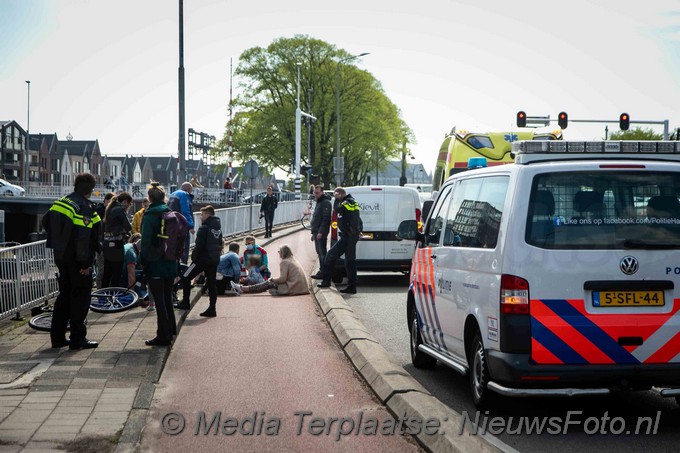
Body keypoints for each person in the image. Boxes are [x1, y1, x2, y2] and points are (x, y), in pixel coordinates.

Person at [42, 172, 101, 350]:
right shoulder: (84, 207)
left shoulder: (61, 202)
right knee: (81, 298)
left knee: (64, 296)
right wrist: (84, 265)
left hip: (61, 256)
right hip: (78, 260)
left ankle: (58, 338)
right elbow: (83, 238)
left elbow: (46, 222)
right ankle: (78, 339)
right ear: (90, 189)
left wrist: (60, 241)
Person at [139, 183, 178, 346]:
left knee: (159, 301)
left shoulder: (149, 216)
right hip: (170, 262)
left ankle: (162, 336)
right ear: (164, 198)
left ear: (150, 198)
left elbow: (146, 242)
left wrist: (143, 261)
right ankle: (171, 330)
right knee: (168, 297)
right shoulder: (170, 213)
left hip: (156, 264)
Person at [317, 187, 363, 294]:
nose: (334, 197)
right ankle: (352, 287)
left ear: (340, 194)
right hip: (350, 235)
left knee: (330, 256)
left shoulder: (347, 202)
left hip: (348, 236)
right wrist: (359, 230)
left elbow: (338, 209)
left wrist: (337, 200)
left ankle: (326, 281)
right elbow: (357, 218)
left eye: (335, 195)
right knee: (349, 261)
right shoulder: (352, 202)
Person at [179, 205, 222, 317]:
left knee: (185, 276)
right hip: (213, 260)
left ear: (207, 215)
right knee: (212, 284)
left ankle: (185, 302)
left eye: (202, 215)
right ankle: (212, 308)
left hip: (202, 260)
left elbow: (199, 246)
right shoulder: (218, 229)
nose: (200, 217)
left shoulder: (203, 228)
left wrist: (194, 258)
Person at [231, 244, 310, 296]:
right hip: (300, 287)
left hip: (293, 287)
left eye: (279, 251)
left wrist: (272, 279)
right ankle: (243, 288)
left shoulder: (284, 262)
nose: (278, 253)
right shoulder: (292, 259)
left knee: (269, 283)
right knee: (270, 284)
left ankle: (242, 288)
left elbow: (283, 279)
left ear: (283, 253)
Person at [101, 192, 133, 288]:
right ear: (125, 201)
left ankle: (103, 296)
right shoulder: (120, 210)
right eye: (129, 203)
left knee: (107, 272)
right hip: (116, 245)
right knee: (116, 273)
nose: (129, 206)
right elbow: (128, 227)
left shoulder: (110, 208)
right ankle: (113, 296)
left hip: (107, 244)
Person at [168, 182, 195, 263]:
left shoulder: (173, 194)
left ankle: (174, 266)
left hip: (172, 224)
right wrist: (191, 226)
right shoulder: (184, 194)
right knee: (184, 247)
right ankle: (183, 268)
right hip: (182, 225)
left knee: (174, 247)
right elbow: (185, 211)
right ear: (189, 189)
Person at [310, 185, 332, 279]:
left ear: (322, 192)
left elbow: (326, 219)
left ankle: (324, 272)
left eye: (317, 193)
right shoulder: (319, 202)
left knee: (322, 252)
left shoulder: (325, 203)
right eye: (314, 192)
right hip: (316, 231)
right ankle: (322, 271)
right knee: (319, 252)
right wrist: (313, 233)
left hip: (320, 232)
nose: (315, 194)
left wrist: (320, 232)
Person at [94, 192, 115, 289]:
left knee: (106, 269)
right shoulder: (100, 210)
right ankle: (99, 290)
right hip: (101, 243)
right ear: (106, 200)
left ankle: (103, 289)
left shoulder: (109, 210)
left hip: (106, 243)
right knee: (101, 269)